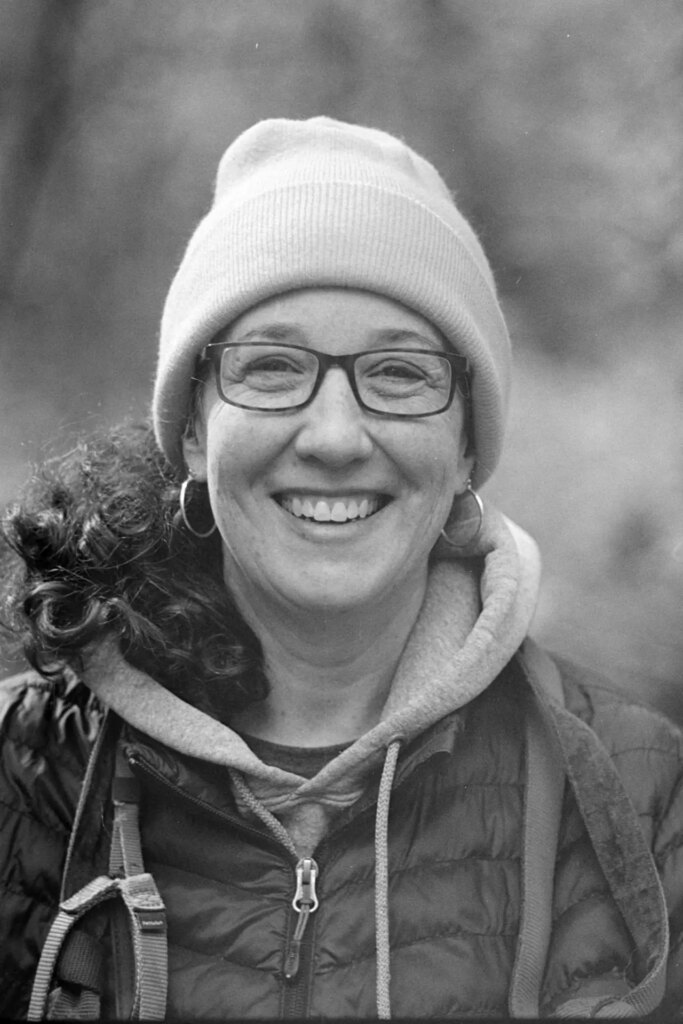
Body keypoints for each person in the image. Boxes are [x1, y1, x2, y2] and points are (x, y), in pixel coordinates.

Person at [0, 116, 681, 1021]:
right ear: (195, 431)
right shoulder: (25, 769)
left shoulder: (639, 793)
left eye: (398, 373)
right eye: (272, 367)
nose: (332, 437)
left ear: (468, 446)